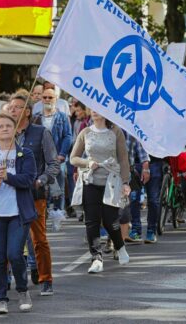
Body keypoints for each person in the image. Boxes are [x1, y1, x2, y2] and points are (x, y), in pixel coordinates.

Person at [0, 113, 37, 314]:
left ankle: (22, 291)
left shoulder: (25, 154)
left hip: (18, 213)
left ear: (15, 130)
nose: (4, 129)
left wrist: (8, 177)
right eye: (0, 126)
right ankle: (1, 298)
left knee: (15, 254)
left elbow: (28, 179)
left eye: (8, 126)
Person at [7, 93, 59, 295]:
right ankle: (5, 280)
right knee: (8, 240)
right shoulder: (4, 132)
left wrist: (41, 180)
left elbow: (53, 163)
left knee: (38, 239)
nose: (13, 110)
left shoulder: (41, 132)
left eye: (17, 107)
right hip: (9, 194)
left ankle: (46, 279)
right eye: (11, 107)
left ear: (27, 112)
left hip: (34, 193)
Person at [70, 110, 131, 273]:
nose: (94, 112)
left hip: (111, 180)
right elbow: (73, 158)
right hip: (90, 181)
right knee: (91, 221)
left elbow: (123, 159)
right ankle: (96, 258)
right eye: (92, 110)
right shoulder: (85, 132)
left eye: (98, 110)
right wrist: (87, 162)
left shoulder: (116, 132)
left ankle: (120, 246)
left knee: (110, 220)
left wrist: (126, 182)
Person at [33, 88, 73, 223]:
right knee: (42, 185)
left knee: (58, 186)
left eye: (50, 97)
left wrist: (62, 154)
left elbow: (68, 136)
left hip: (57, 157)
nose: (47, 100)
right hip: (40, 157)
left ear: (56, 99)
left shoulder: (62, 116)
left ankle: (57, 213)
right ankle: (42, 214)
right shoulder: (36, 117)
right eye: (45, 97)